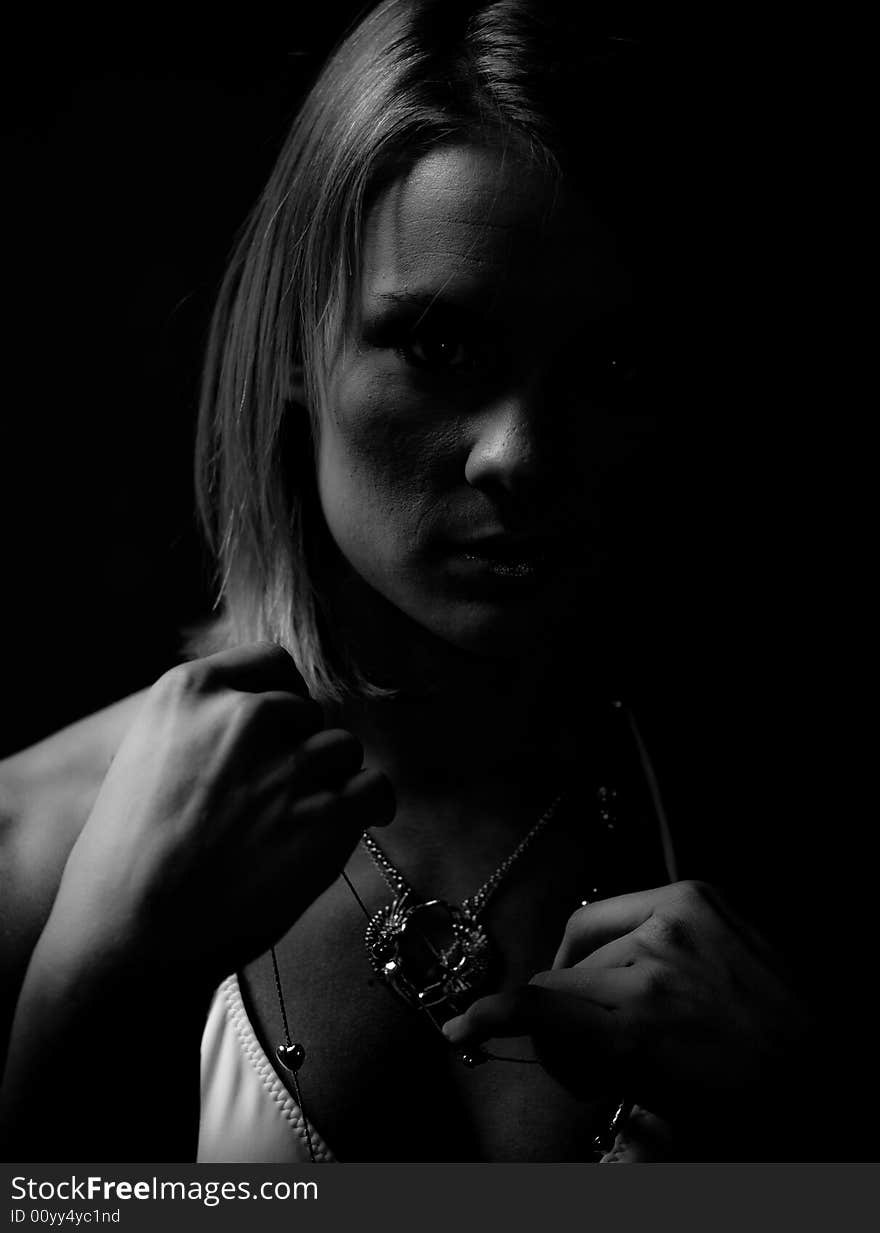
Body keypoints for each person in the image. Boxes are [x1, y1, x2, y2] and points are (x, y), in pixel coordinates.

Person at [0, 1, 861, 1163]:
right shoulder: (30, 853)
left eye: (608, 365)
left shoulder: (794, 849)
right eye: (442, 348)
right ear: (296, 346)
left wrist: (803, 1152)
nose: (519, 455)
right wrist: (92, 993)